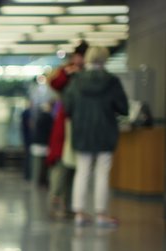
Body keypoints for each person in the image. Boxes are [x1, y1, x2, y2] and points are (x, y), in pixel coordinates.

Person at [63, 46, 129, 228]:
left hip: (82, 132)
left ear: (88, 59)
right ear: (105, 60)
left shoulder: (76, 81)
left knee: (82, 171)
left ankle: (79, 213)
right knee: (102, 173)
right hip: (105, 132)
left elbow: (67, 107)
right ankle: (101, 214)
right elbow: (123, 108)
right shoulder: (112, 81)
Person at [47, 41, 88, 218]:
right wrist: (67, 72)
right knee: (62, 165)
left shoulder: (88, 74)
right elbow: (55, 83)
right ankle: (56, 199)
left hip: (80, 126)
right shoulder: (67, 72)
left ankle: (70, 205)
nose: (80, 60)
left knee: (75, 168)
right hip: (65, 127)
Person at [29, 101, 54, 187]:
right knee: (44, 166)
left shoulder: (38, 117)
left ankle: (36, 181)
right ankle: (43, 182)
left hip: (36, 144)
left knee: (37, 166)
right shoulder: (49, 118)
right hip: (44, 145)